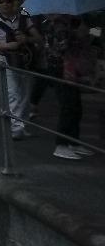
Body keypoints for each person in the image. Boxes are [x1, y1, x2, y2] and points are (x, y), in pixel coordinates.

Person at [0, 0, 38, 140]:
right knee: (14, 94)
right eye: (0, 2)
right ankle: (16, 128)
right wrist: (9, 45)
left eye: (8, 1)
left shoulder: (25, 20)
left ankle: (22, 125)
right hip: (6, 60)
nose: (5, 4)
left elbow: (39, 39)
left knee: (26, 95)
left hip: (26, 60)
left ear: (12, 2)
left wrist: (26, 38)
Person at [48, 15, 95, 160]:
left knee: (76, 106)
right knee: (68, 106)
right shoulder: (59, 25)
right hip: (61, 70)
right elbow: (60, 47)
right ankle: (61, 144)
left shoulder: (74, 22)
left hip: (72, 70)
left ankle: (73, 141)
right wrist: (78, 36)